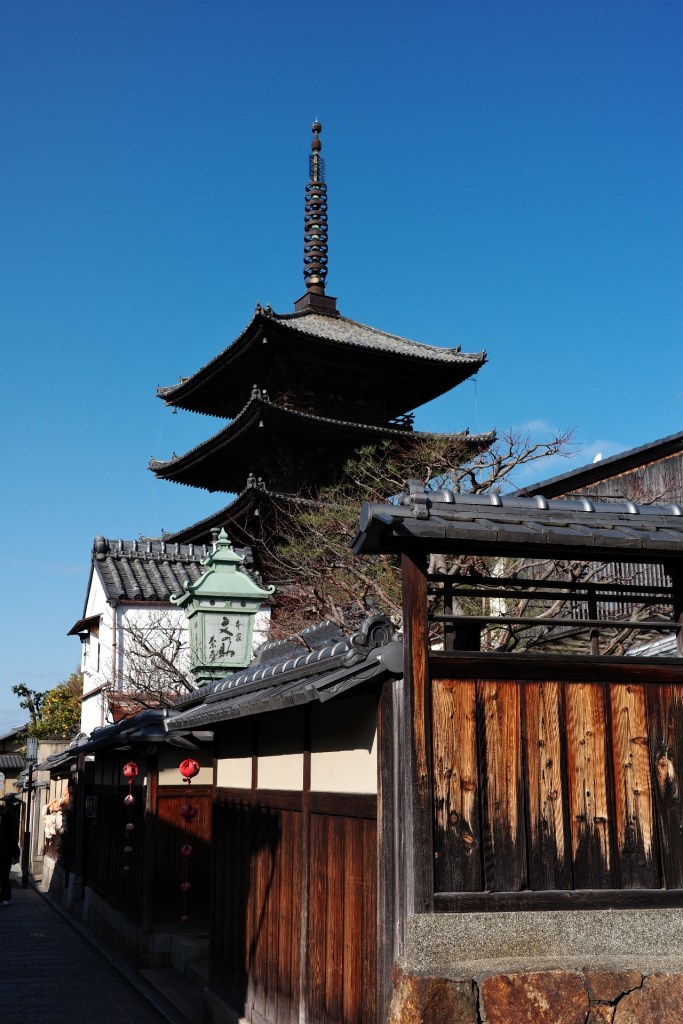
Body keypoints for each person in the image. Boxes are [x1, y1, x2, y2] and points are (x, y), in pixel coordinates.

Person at [0, 793, 21, 905]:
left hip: (5, 853)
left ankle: (5, 897)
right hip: (6, 852)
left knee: (4, 876)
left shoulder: (7, 822)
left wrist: (15, 855)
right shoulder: (8, 819)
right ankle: (4, 896)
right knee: (3, 876)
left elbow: (11, 840)